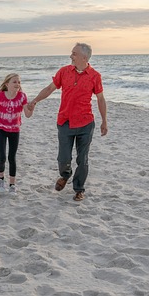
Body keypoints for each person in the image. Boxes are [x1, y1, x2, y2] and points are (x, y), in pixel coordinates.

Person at [28, 43, 108, 201]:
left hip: (85, 123)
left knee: (82, 159)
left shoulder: (95, 76)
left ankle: (79, 189)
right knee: (63, 158)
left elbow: (100, 98)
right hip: (65, 121)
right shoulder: (64, 72)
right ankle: (65, 175)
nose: (71, 56)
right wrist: (35, 101)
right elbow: (50, 88)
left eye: (74, 53)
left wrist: (104, 120)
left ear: (84, 58)